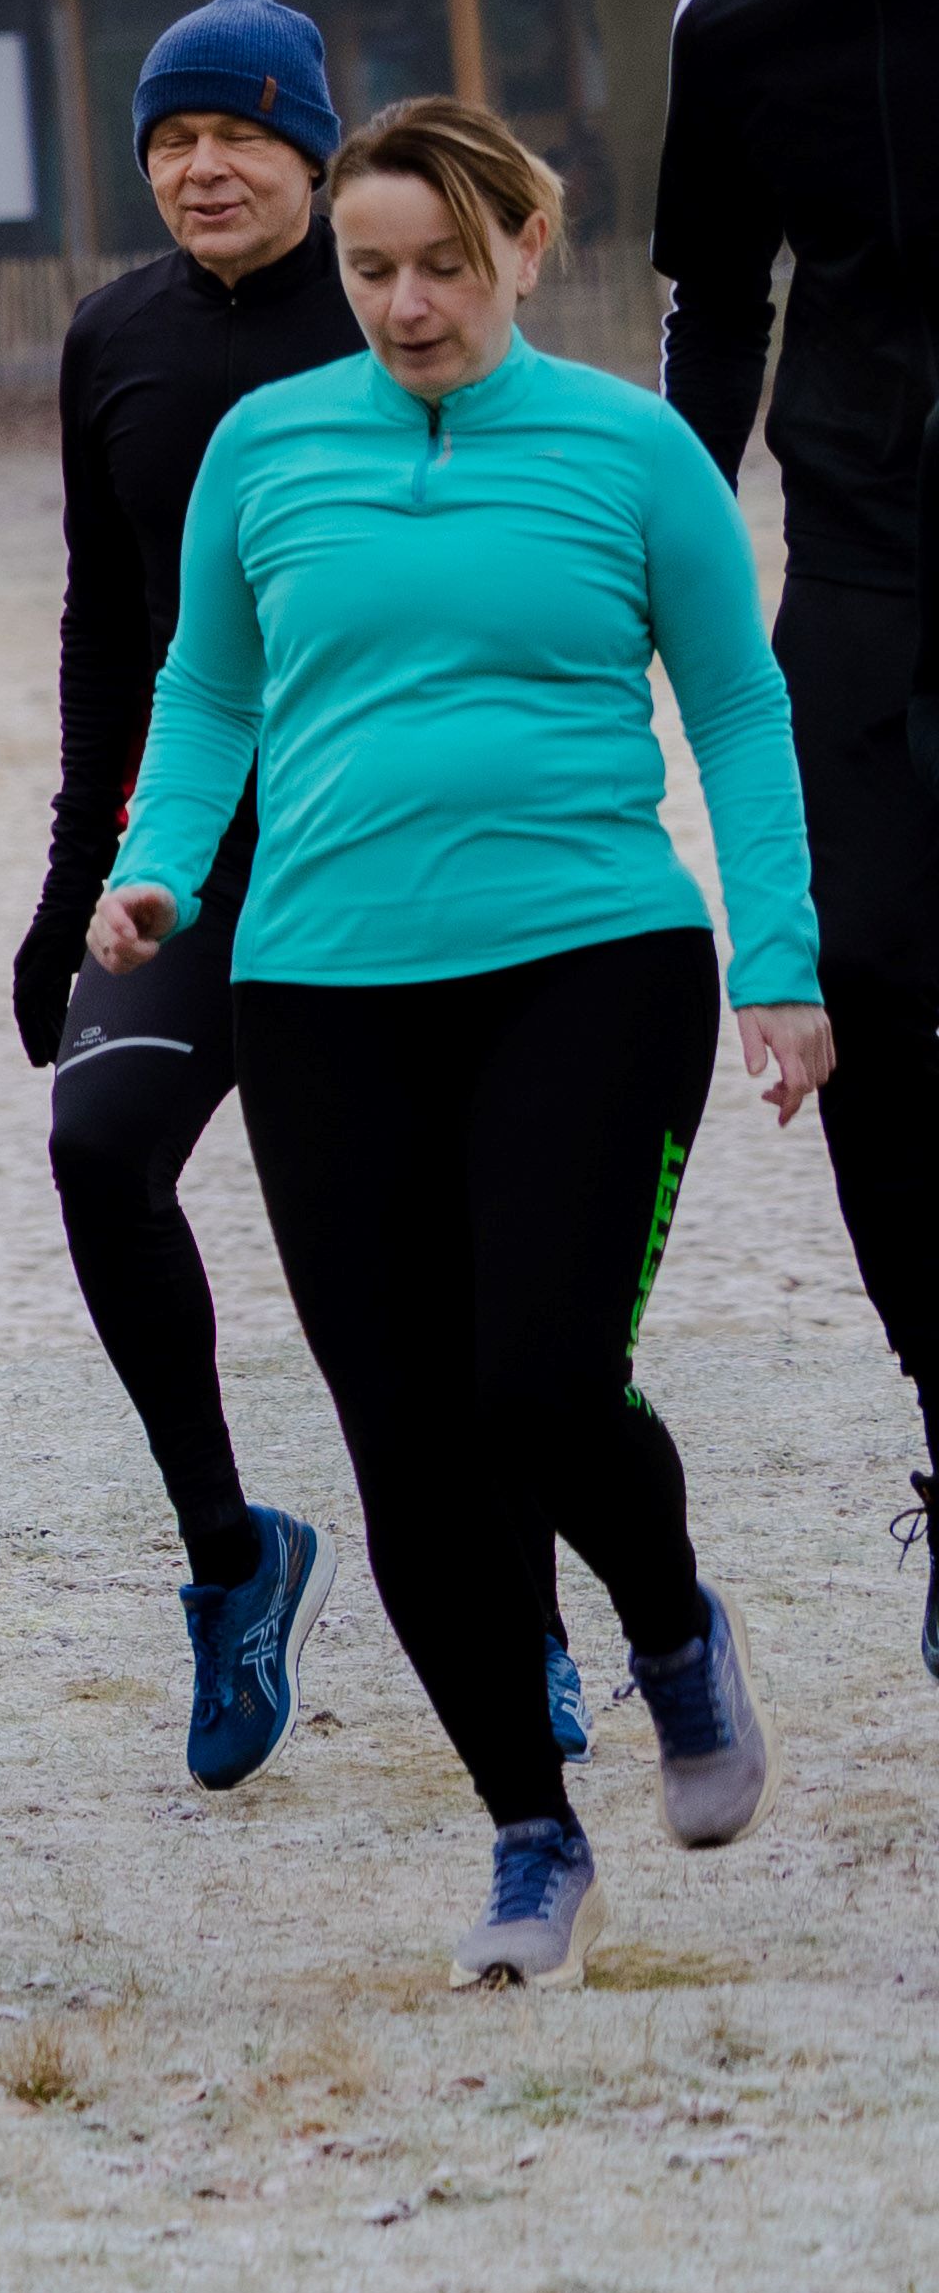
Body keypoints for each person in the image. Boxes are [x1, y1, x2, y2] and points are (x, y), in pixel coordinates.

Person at [97, 97, 816, 1985]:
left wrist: (781, 960)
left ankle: (670, 1622)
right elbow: (207, 688)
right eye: (369, 270)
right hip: (321, 990)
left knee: (543, 1379)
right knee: (406, 1438)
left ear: (523, 245)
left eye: (442, 265)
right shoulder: (264, 446)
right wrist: (158, 866)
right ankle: (526, 1831)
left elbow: (738, 711)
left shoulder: (632, 451)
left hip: (593, 962)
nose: (406, 304)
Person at [25, 0, 368, 1783]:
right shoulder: (114, 338)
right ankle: (232, 1557)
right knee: (98, 1151)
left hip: (379, 844)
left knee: (409, 1243)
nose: (201, 168)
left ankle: (528, 1620)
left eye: (238, 133)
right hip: (190, 847)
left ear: (311, 145)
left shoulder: (391, 306)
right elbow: (105, 627)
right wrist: (66, 881)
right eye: (170, 140)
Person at [652, 0, 939, 1671]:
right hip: (848, 578)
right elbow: (706, 315)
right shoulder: (732, 23)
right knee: (867, 1011)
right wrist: (645, 560)